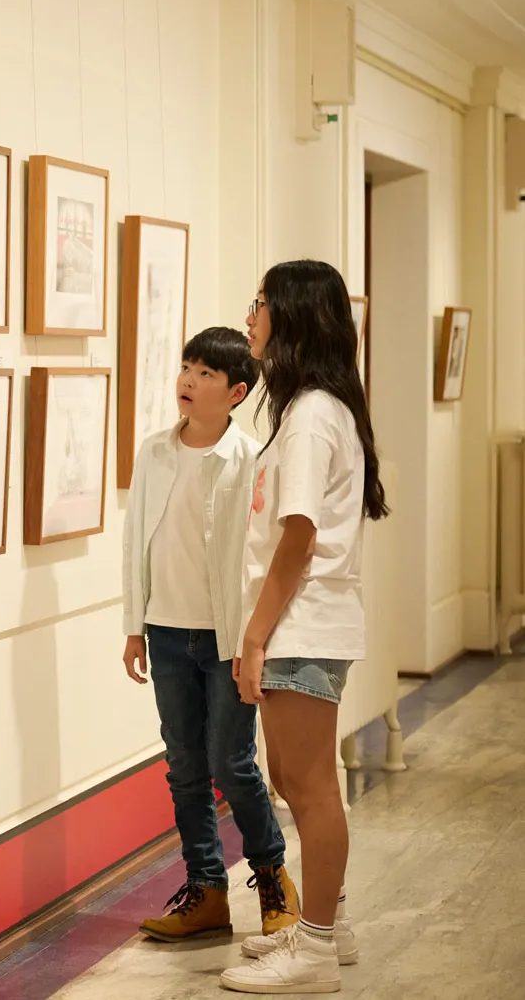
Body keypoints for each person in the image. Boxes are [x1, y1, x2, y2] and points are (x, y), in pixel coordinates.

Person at [221, 260, 387, 994]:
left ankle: (316, 947)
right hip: (301, 622)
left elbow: (297, 537)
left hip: (302, 623)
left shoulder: (316, 412)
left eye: (261, 303)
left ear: (294, 317)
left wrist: (255, 637)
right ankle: (329, 924)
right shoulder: (306, 408)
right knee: (294, 777)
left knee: (312, 786)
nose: (251, 315)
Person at [123, 327, 299, 945]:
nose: (188, 382)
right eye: (186, 368)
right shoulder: (153, 453)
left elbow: (261, 556)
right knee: (184, 766)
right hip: (167, 634)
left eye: (204, 374)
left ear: (236, 391)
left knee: (233, 763)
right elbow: (134, 544)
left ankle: (274, 879)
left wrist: (255, 640)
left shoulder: (251, 460)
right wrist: (133, 626)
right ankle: (206, 891)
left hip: (224, 640)